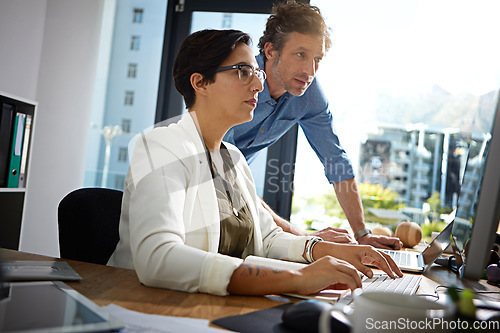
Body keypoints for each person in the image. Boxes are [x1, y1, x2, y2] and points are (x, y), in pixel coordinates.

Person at [107, 29, 402, 296]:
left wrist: (327, 251)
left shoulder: (233, 159)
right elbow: (159, 258)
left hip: (215, 308)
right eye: (242, 71)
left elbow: (269, 238)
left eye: (257, 73)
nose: (258, 85)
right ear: (200, 83)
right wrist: (295, 278)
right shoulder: (161, 147)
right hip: (146, 308)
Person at [224, 1, 402, 249]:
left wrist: (362, 234)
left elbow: (336, 161)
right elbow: (223, 173)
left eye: (317, 59)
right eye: (300, 55)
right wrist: (299, 236)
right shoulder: (234, 83)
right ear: (270, 51)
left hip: (235, 193)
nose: (310, 70)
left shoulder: (309, 95)